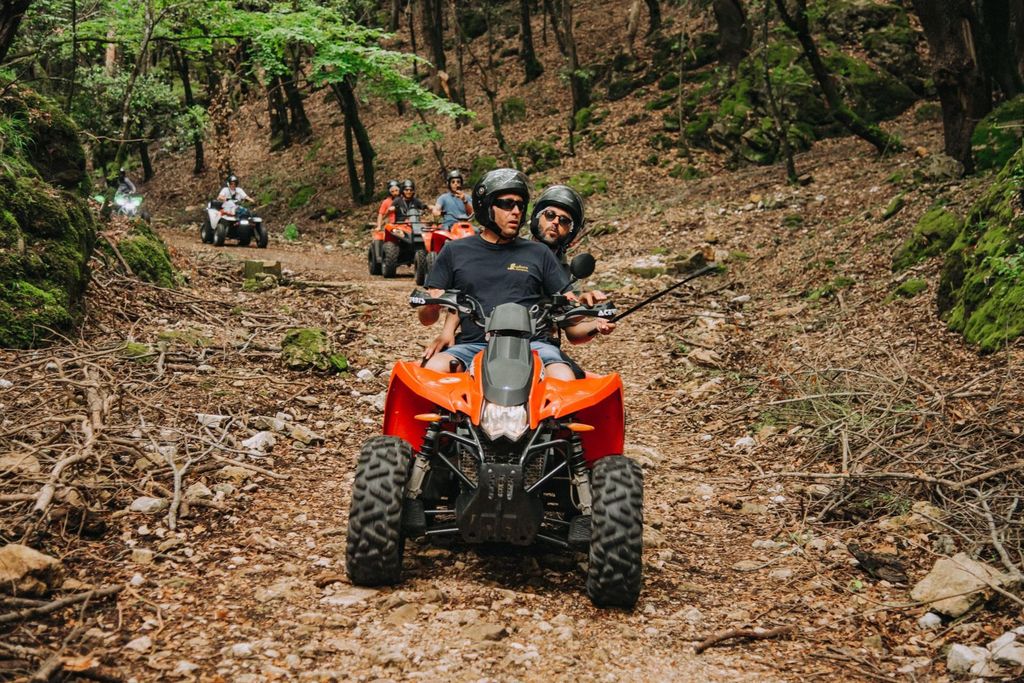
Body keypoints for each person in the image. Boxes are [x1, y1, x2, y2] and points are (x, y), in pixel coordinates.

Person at [418, 169, 613, 381]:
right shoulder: (454, 251)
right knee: (431, 371)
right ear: (486, 206)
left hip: (534, 347)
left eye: (520, 205)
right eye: (507, 204)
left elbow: (569, 309)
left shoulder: (539, 253)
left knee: (564, 377)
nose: (516, 211)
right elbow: (428, 318)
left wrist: (588, 311)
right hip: (473, 346)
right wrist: (431, 306)